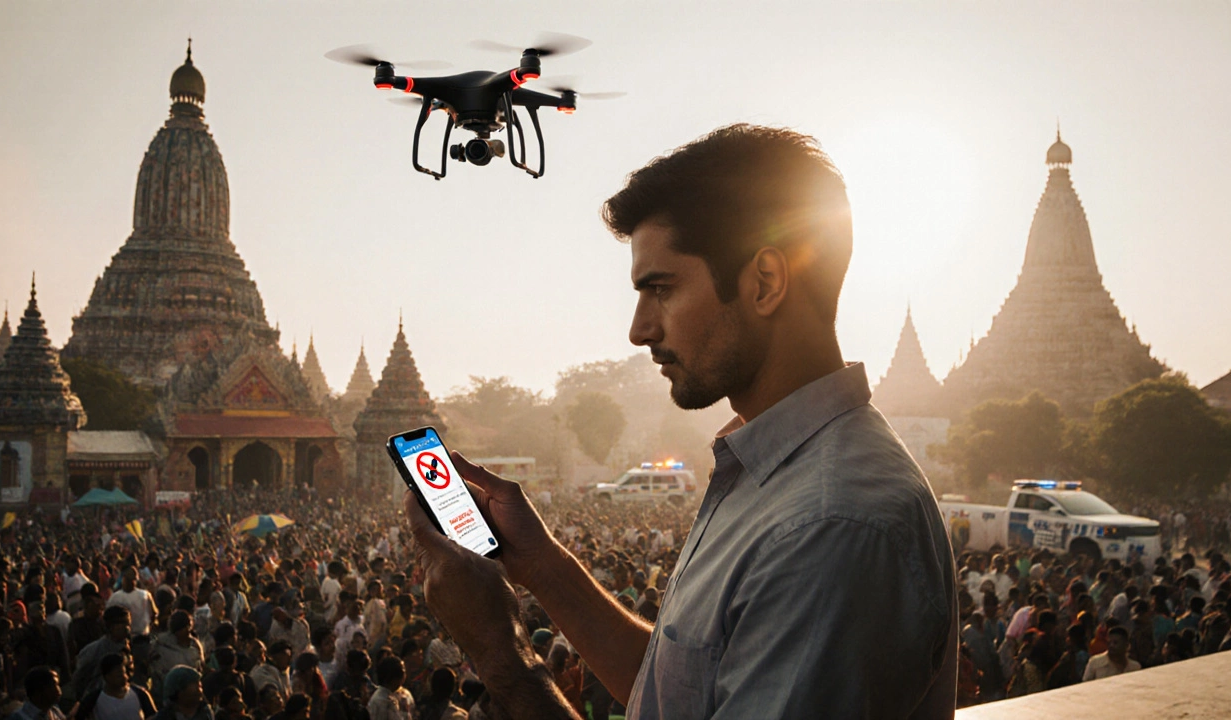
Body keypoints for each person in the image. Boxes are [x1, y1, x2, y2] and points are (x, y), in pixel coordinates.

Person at [402, 124, 957, 718]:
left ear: (764, 282)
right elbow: (684, 692)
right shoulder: (773, 471)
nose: (639, 329)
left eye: (661, 289)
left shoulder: (829, 527)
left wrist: (503, 658)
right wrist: (543, 565)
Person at [70, 653, 156, 720]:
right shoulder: (94, 699)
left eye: (125, 673)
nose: (124, 677)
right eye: (119, 675)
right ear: (107, 677)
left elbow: (153, 716)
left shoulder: (140, 694)